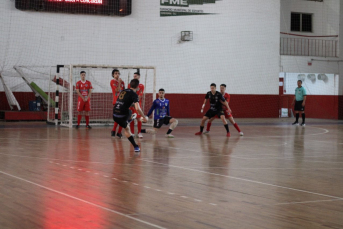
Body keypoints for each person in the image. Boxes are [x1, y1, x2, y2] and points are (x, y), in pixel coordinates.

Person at [113, 79, 147, 152]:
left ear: (130, 85)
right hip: (123, 115)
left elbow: (123, 101)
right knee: (132, 112)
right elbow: (138, 108)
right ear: (138, 87)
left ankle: (136, 146)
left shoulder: (123, 91)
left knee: (127, 128)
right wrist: (144, 117)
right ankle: (130, 119)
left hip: (115, 114)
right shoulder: (134, 94)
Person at [128, 72, 145, 138]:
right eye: (134, 76)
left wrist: (135, 99)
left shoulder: (141, 86)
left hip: (137, 103)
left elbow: (140, 96)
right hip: (131, 104)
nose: (134, 77)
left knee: (139, 118)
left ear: (139, 76)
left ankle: (139, 132)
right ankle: (132, 132)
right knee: (131, 118)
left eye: (136, 76)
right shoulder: (130, 85)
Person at [110, 69, 125, 138]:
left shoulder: (122, 82)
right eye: (116, 73)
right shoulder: (112, 81)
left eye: (118, 73)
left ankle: (118, 132)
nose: (117, 75)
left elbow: (124, 92)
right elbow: (117, 90)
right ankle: (114, 130)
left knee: (122, 118)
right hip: (116, 102)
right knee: (118, 117)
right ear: (113, 75)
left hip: (122, 102)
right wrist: (119, 83)